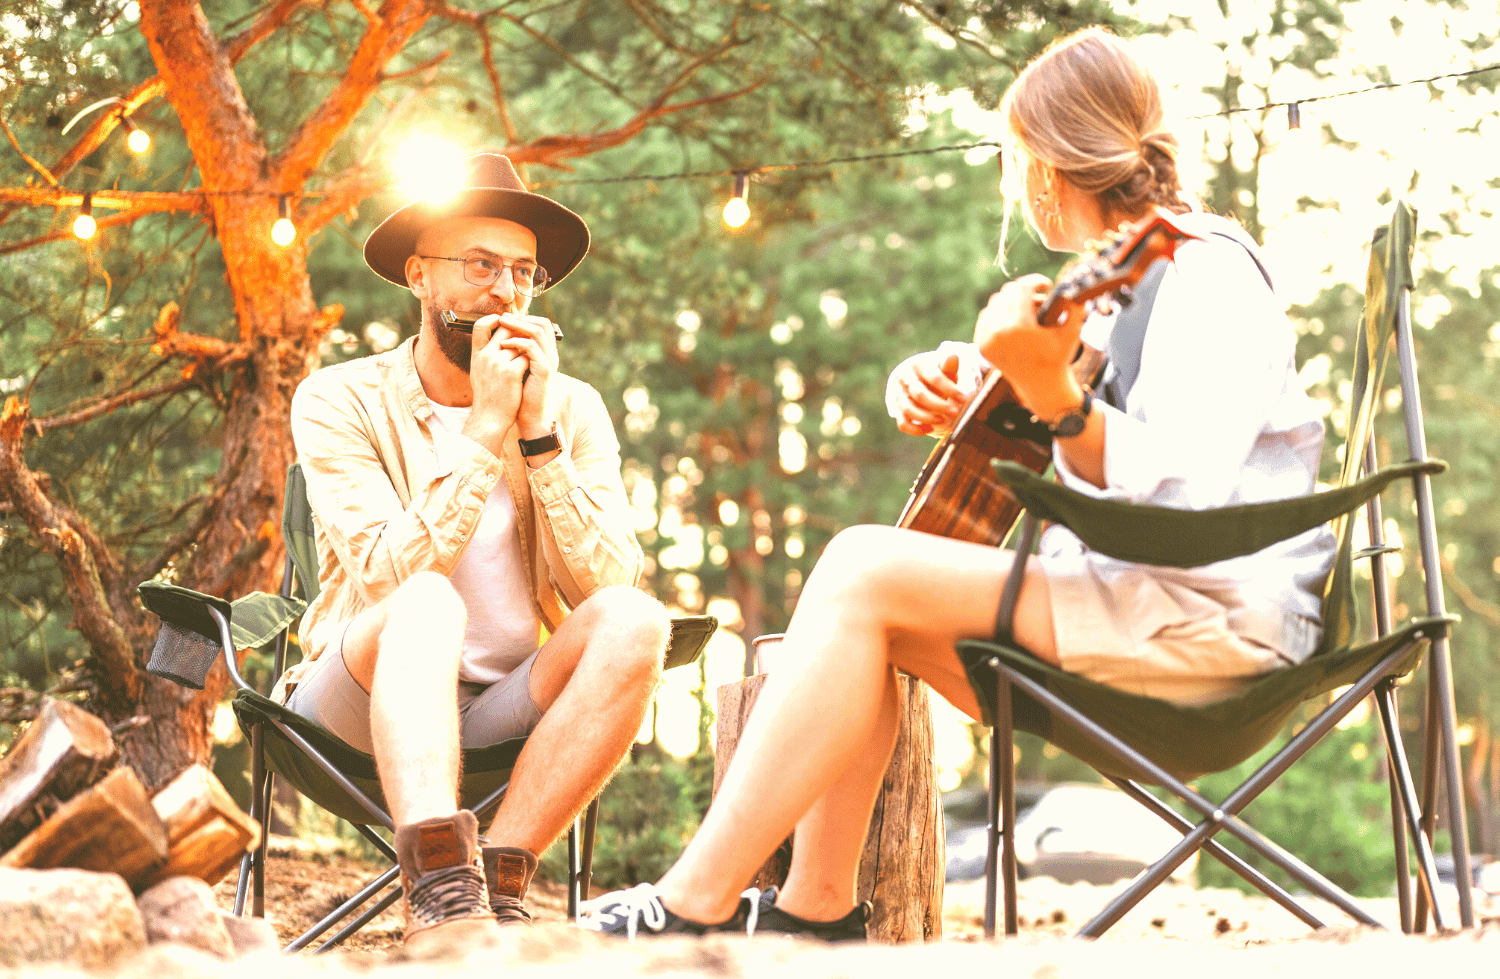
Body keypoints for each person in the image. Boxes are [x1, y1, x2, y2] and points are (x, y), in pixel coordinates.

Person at [578, 27, 1336, 940]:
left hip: (1210, 626)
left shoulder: (1203, 270)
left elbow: (1179, 489)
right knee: (866, 608)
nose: (1014, 186)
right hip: (1155, 602)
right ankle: (815, 912)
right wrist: (974, 386)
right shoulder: (1123, 280)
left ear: (1045, 169)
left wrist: (1048, 391)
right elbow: (1093, 421)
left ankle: (693, 898)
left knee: (862, 567)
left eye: (1014, 163)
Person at [278, 154, 671, 952]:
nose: (504, 291)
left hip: (502, 708)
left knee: (636, 617)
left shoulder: (572, 408)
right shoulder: (337, 397)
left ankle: (496, 879)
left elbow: (610, 583)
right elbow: (391, 575)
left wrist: (538, 437)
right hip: (351, 700)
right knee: (427, 601)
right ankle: (444, 895)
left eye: (523, 272)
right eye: (480, 265)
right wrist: (485, 429)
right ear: (420, 277)